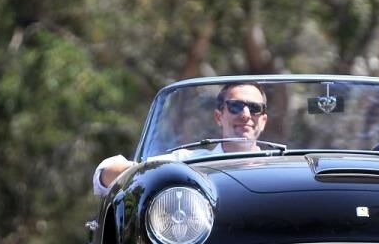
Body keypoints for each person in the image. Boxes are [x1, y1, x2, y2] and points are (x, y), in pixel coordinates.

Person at [92, 82, 269, 196]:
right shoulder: (188, 163)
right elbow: (104, 175)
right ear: (219, 117)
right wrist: (138, 172)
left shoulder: (285, 165)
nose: (246, 115)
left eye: (255, 108)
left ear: (263, 121)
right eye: (236, 106)